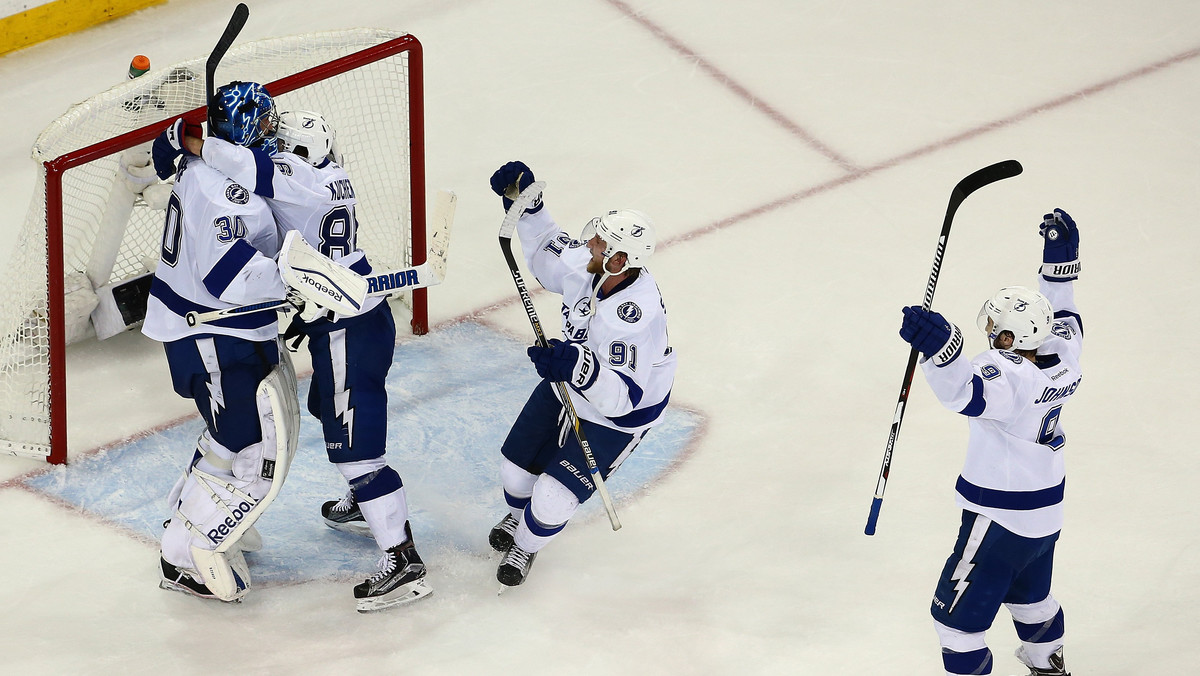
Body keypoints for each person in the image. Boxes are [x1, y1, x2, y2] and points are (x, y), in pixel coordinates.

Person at [173, 109, 430, 611]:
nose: (271, 147)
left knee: (356, 450)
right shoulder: (334, 175)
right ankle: (364, 506)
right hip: (356, 316)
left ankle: (403, 561)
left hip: (346, 330)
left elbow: (250, 168)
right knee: (326, 408)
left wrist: (202, 146)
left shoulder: (298, 177)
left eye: (281, 143)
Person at [898, 209, 1083, 676]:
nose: (987, 333)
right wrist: (1059, 266)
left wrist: (942, 348)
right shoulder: (1063, 356)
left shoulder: (1010, 378)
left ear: (1008, 336)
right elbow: (1064, 314)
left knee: (957, 628)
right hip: (1044, 519)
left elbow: (967, 393)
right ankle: (1050, 667)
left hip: (1000, 518)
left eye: (992, 328)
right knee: (1033, 601)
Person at [485, 161, 678, 588]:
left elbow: (620, 398)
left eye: (600, 243)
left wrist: (576, 366)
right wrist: (530, 207)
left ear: (620, 259)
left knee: (552, 499)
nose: (589, 243)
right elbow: (550, 250)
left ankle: (527, 546)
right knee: (514, 473)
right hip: (570, 380)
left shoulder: (634, 316)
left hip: (618, 414)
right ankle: (519, 522)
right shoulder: (596, 267)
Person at [142, 81, 293, 603]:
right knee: (243, 440)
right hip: (206, 328)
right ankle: (184, 553)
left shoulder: (219, 172)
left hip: (227, 326)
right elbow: (226, 276)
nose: (273, 129)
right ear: (246, 126)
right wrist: (295, 283)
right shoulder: (216, 189)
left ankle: (199, 521)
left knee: (230, 434)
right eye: (266, 121)